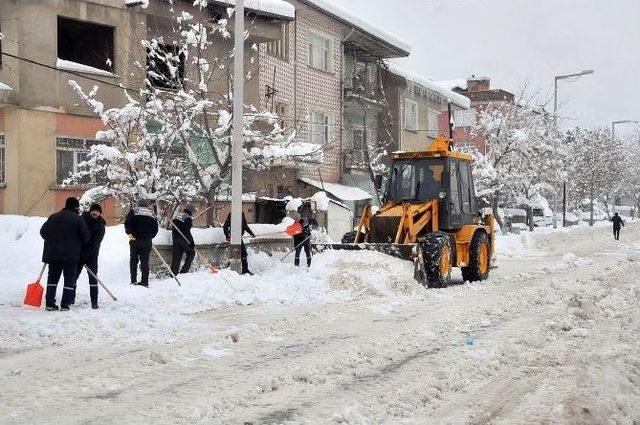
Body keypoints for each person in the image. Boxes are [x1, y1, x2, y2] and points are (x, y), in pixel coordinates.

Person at [40, 197, 90, 311]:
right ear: (76, 207)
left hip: (53, 255)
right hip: (71, 256)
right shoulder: (78, 219)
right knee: (69, 280)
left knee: (52, 279)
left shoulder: (53, 217)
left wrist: (53, 241)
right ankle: (65, 304)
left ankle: (49, 303)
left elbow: (43, 232)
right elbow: (86, 237)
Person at [75, 203, 106, 309]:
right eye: (93, 210)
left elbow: (95, 243)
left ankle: (94, 302)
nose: (95, 213)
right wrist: (79, 253)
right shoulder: (82, 220)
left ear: (100, 213)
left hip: (92, 255)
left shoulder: (101, 225)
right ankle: (70, 298)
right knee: (74, 276)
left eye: (97, 211)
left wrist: (84, 255)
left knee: (93, 278)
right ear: (90, 211)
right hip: (78, 254)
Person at [125, 199, 159, 287]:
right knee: (145, 262)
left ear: (138, 204)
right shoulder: (152, 214)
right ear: (147, 205)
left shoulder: (134, 211)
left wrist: (130, 235)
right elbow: (156, 229)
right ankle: (145, 282)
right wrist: (150, 236)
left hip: (135, 240)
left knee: (133, 261)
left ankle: (133, 281)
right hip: (147, 241)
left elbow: (127, 223)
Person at [171, 203, 196, 275]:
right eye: (193, 211)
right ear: (190, 211)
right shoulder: (188, 218)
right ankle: (184, 272)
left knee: (176, 257)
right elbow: (187, 232)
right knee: (191, 253)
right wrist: (192, 243)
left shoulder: (178, 215)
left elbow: (173, 226)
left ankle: (173, 274)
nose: (193, 213)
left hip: (175, 238)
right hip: (183, 239)